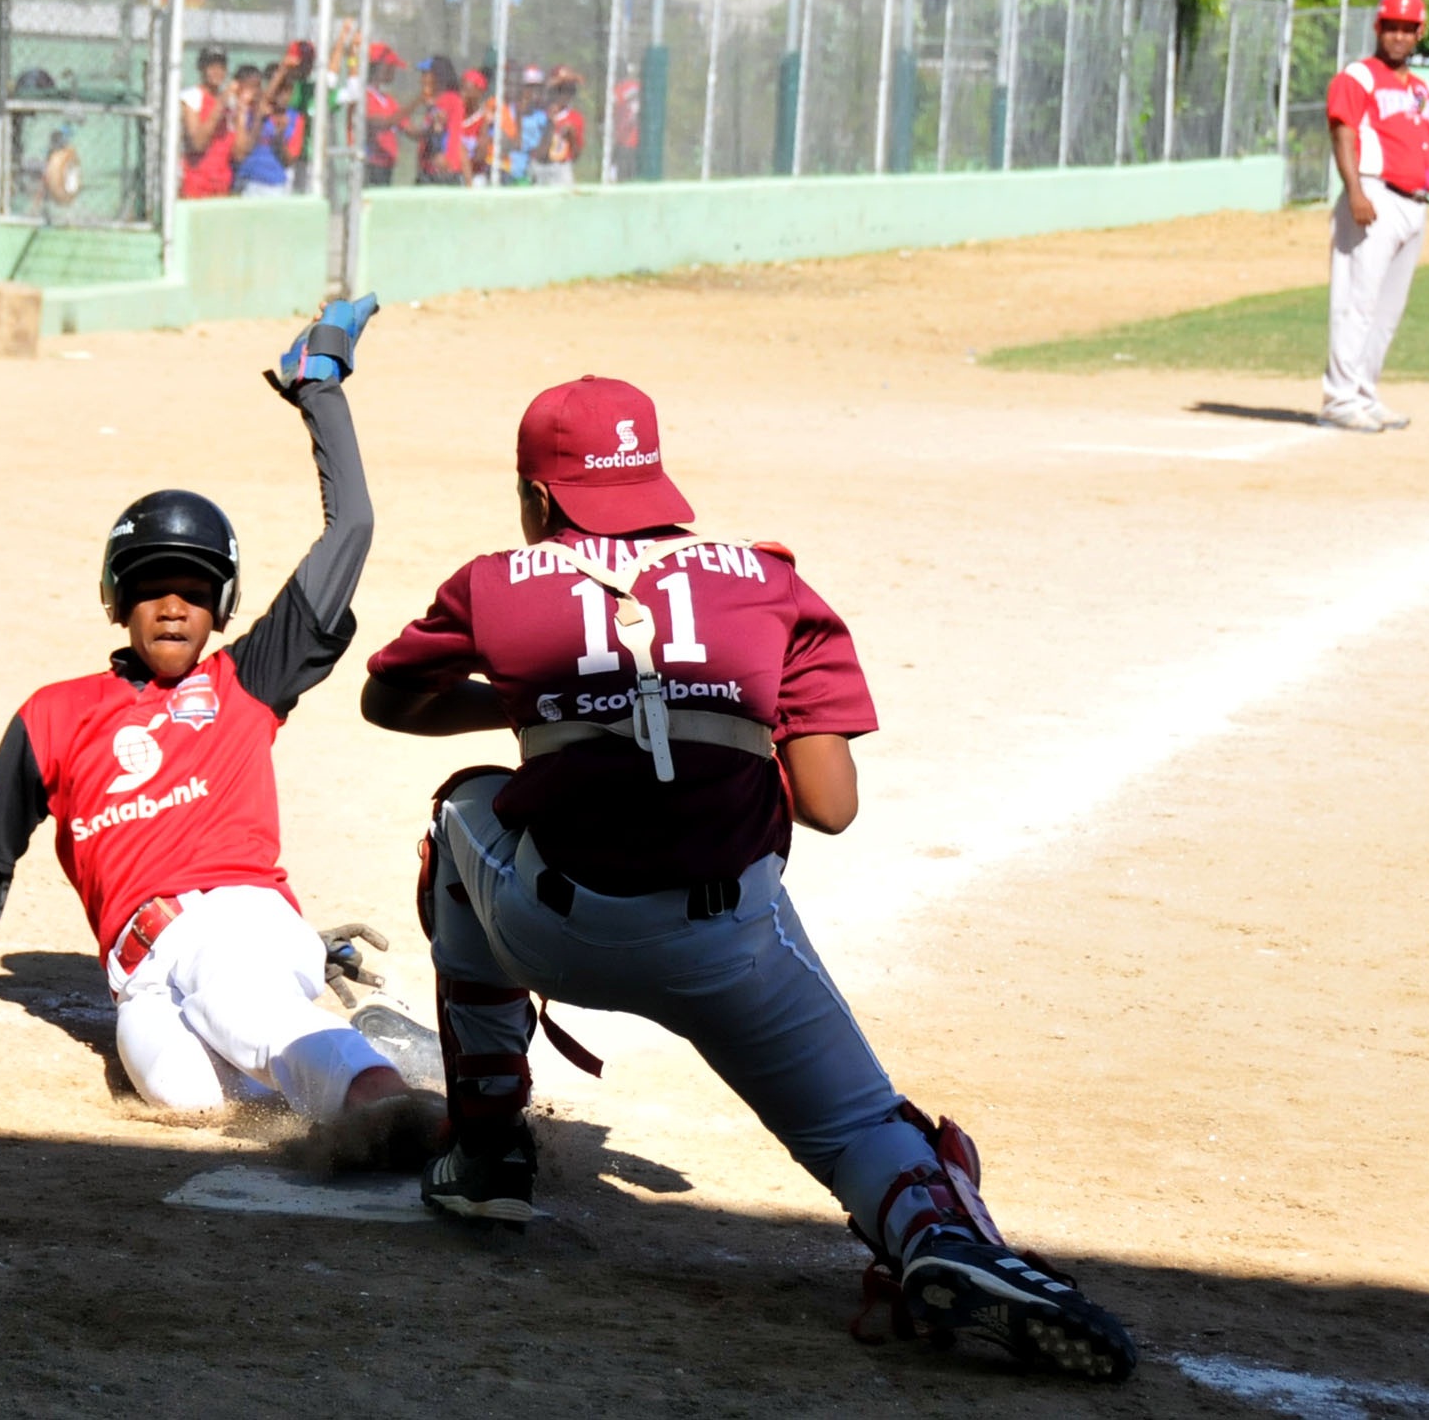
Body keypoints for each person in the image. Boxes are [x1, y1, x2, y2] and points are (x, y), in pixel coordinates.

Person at [360, 375, 1138, 1381]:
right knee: (863, 1123)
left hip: (553, 923)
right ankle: (940, 1238)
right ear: (655, 480)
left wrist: (544, 711)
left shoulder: (500, 580)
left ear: (538, 499)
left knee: (464, 807)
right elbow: (830, 805)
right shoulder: (767, 580)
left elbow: (389, 698)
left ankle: (487, 1151)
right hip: (725, 941)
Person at [0, 301, 436, 1165]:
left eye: (195, 591)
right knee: (193, 1097)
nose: (173, 604)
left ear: (221, 607)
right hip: (141, 977)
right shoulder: (52, 714)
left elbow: (351, 530)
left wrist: (321, 388)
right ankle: (390, 1052)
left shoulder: (247, 678)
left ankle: (411, 1118)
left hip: (233, 923)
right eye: (152, 586)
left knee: (252, 1012)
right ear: (117, 599)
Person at [1320, 0, 1429, 432]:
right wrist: (1355, 191)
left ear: (1419, 33)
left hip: (1414, 205)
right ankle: (1339, 398)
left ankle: (1363, 392)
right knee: (1356, 301)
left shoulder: (1418, 90)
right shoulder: (1359, 76)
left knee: (1387, 309)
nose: (1398, 35)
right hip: (1374, 197)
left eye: (1406, 28)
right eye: (1390, 26)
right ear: (1377, 29)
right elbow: (1344, 134)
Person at [231, 63, 304, 198]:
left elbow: (289, 160)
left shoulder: (295, 118)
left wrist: (280, 136)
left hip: (274, 185)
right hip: (247, 180)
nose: (282, 95)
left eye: (287, 90)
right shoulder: (255, 110)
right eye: (279, 89)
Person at [400, 55, 467, 186]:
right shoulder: (436, 102)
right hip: (430, 169)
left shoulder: (449, 99)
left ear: (438, 76)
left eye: (426, 74)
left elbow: (438, 128)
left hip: (442, 170)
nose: (422, 79)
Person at [180, 46, 235, 200]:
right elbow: (197, 143)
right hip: (197, 182)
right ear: (201, 68)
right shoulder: (192, 97)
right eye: (211, 66)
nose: (217, 72)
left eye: (221, 67)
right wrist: (220, 105)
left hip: (222, 182)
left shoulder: (231, 102)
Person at [532, 67, 587, 187]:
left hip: (562, 168)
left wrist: (572, 137)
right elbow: (538, 153)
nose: (565, 94)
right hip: (540, 167)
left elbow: (576, 155)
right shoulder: (540, 113)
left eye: (570, 90)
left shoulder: (575, 118)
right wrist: (550, 123)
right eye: (561, 89)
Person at [363, 42, 405, 187]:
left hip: (387, 166)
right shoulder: (365, 96)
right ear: (380, 67)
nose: (394, 71)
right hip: (371, 165)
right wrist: (419, 100)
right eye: (391, 66)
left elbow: (410, 129)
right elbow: (384, 123)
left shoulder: (388, 100)